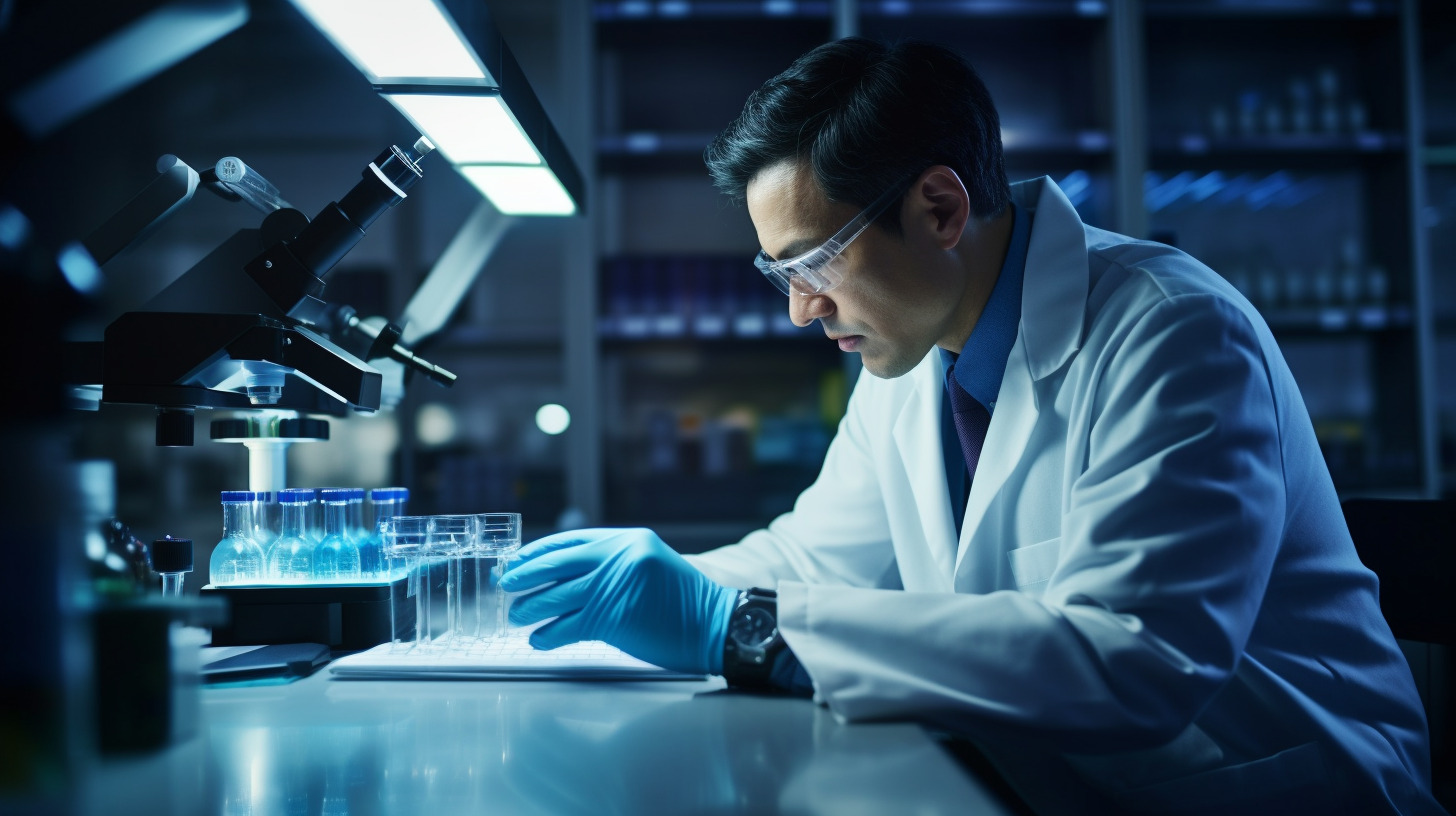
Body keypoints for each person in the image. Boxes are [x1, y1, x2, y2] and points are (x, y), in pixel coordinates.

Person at [499, 37, 1443, 815]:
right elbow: (818, 564)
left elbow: (1138, 660)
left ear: (940, 208)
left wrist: (726, 628)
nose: (799, 311)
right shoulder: (911, 354)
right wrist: (635, 593)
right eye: (777, 274)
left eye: (812, 263)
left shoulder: (1174, 332)